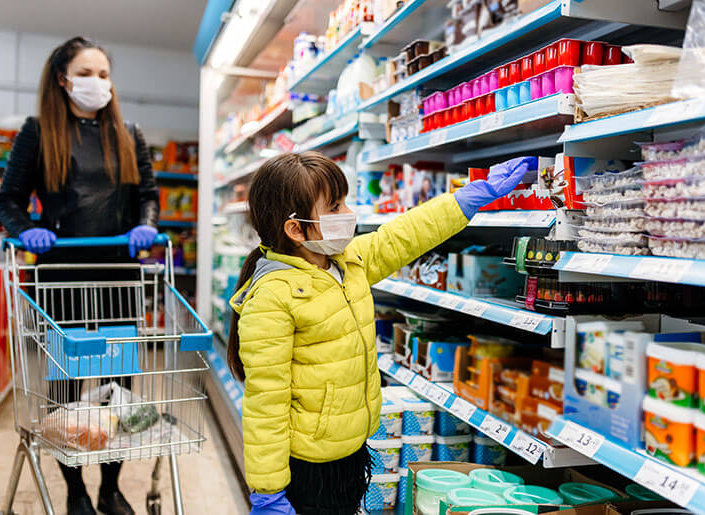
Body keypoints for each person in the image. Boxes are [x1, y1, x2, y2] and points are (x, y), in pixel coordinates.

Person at [227, 151, 531, 514]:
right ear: (296, 229)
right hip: (306, 465)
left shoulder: (346, 263)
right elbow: (266, 404)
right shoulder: (272, 296)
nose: (348, 214)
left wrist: (466, 198)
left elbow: (403, 235)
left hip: (352, 449)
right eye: (335, 206)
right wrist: (268, 489)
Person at [0, 36, 159, 515]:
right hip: (62, 277)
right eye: (87, 74)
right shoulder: (38, 131)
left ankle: (110, 486)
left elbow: (147, 194)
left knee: (119, 385)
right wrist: (27, 230)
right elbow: (8, 199)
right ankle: (75, 489)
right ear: (63, 79)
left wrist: (146, 225)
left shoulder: (128, 132)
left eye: (104, 75)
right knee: (67, 385)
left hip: (118, 277)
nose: (98, 83)